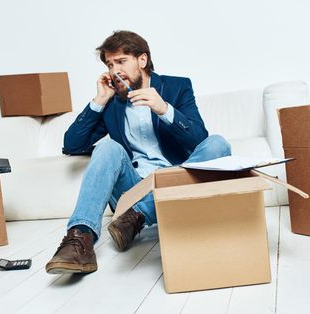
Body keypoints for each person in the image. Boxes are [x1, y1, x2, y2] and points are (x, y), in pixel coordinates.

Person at [45, 30, 231, 274]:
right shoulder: (113, 101)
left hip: (174, 184)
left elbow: (198, 139)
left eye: (121, 61)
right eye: (110, 64)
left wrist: (164, 109)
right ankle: (79, 239)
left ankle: (140, 215)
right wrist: (99, 101)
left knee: (219, 144)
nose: (114, 71)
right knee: (107, 146)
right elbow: (72, 145)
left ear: (142, 60)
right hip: (132, 190)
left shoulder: (177, 87)